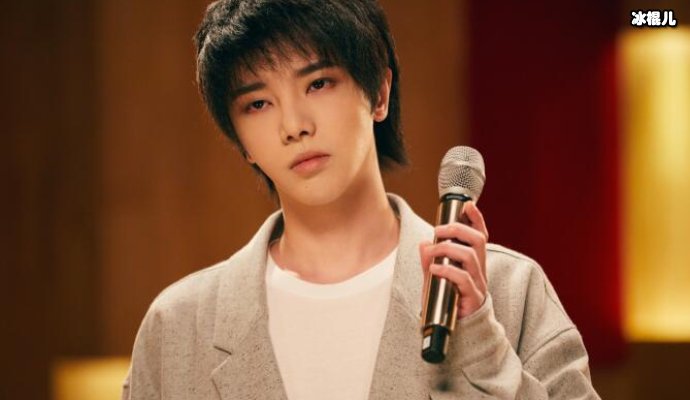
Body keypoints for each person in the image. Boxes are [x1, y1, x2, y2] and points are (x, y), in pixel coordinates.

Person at [122, 0, 601, 399]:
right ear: (241, 140)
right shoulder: (179, 326)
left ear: (380, 93)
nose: (294, 125)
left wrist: (481, 344)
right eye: (258, 103)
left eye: (318, 83)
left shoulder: (508, 289)